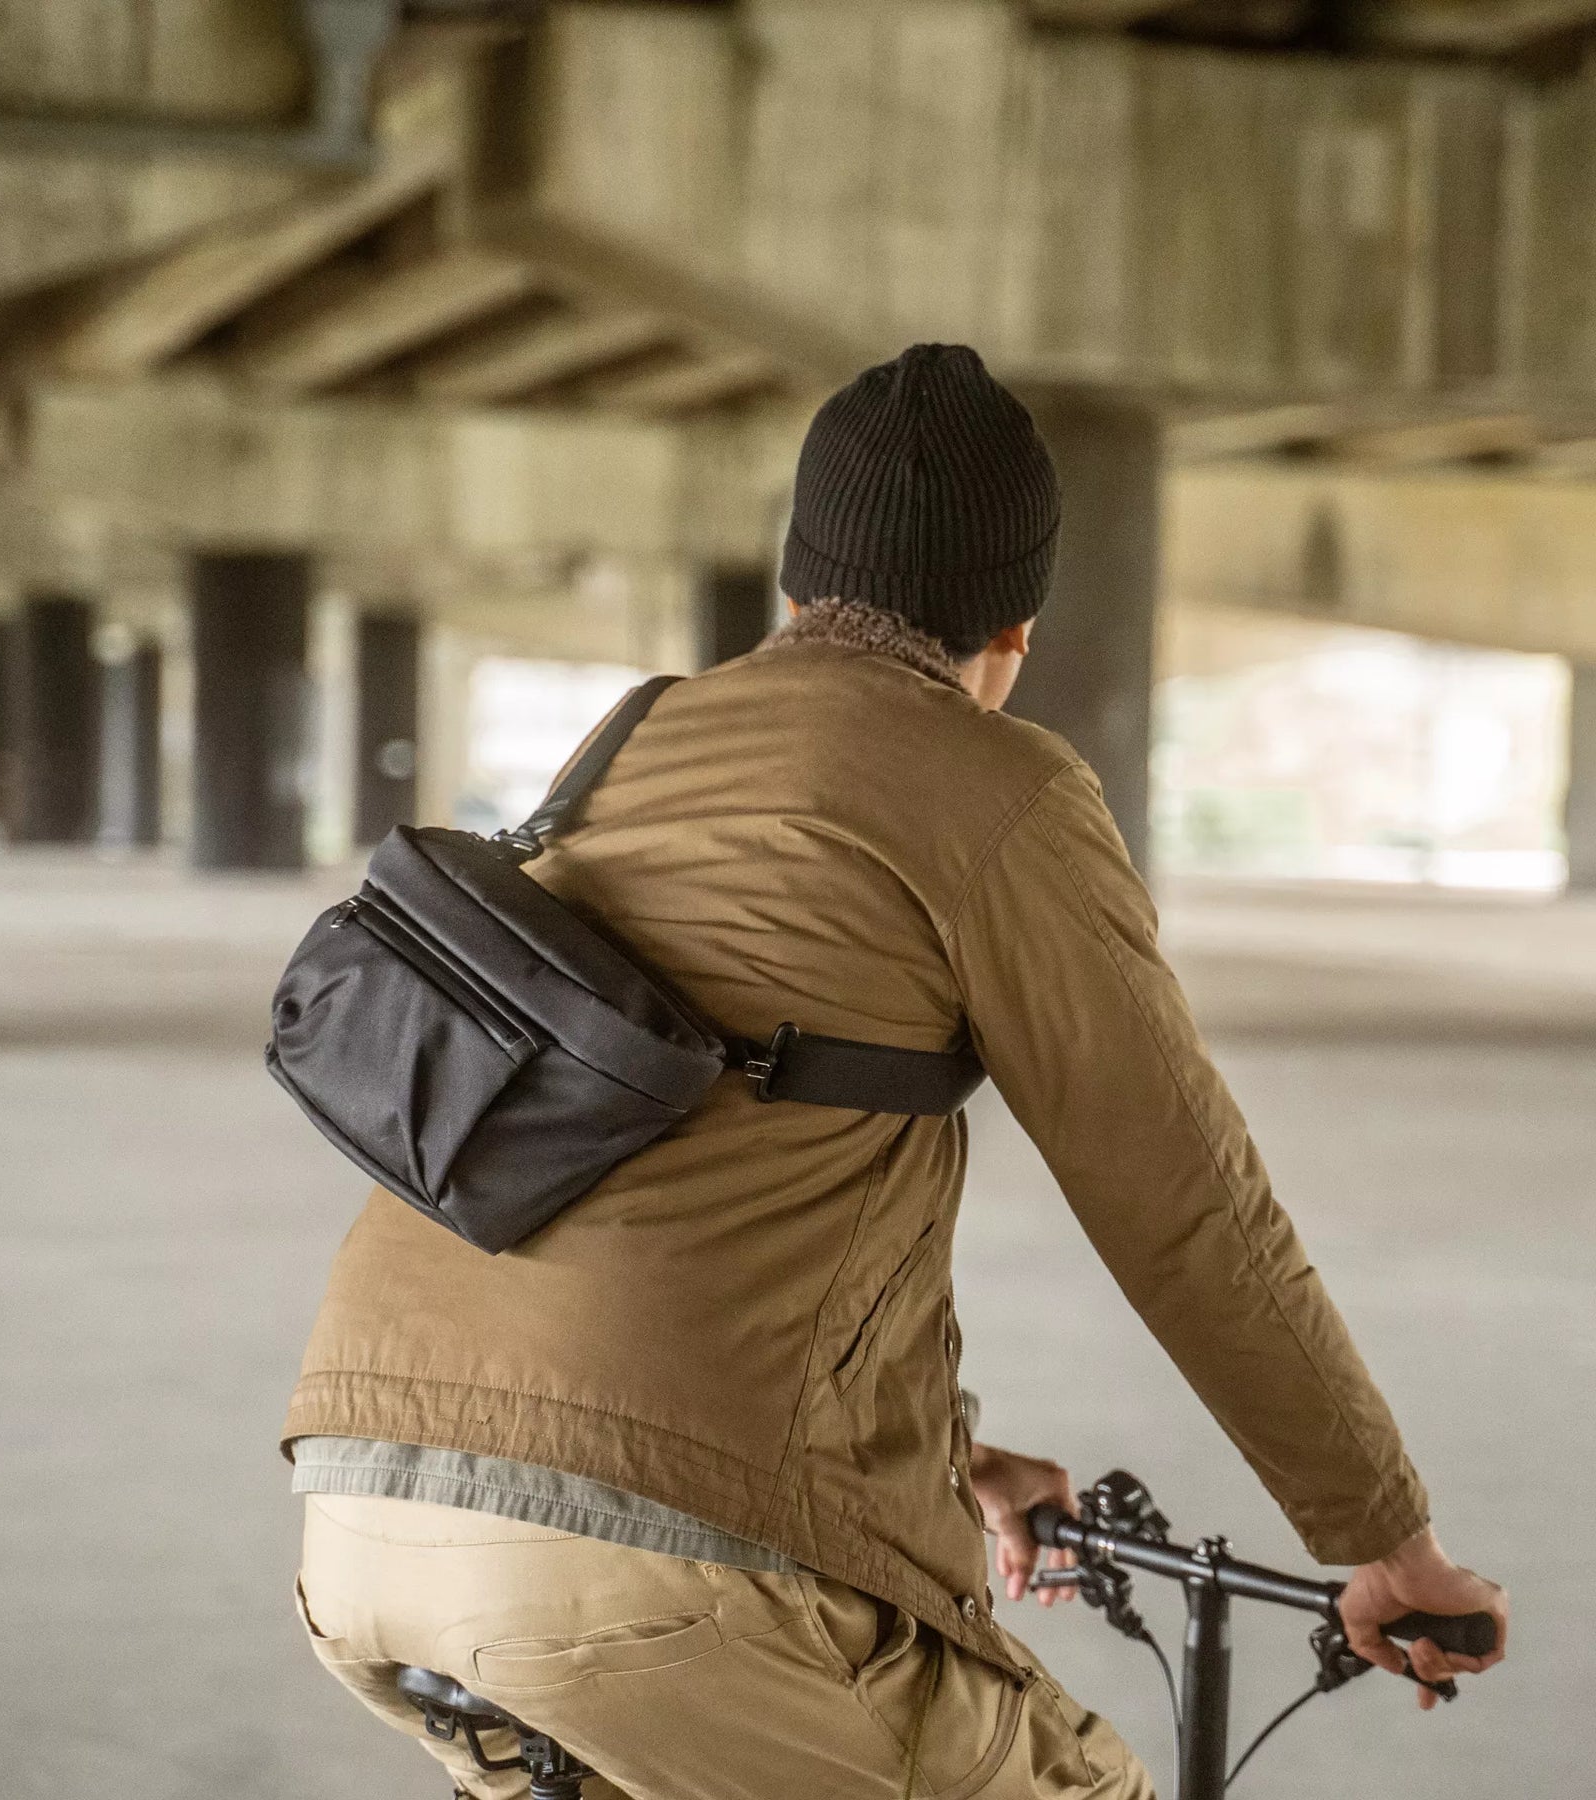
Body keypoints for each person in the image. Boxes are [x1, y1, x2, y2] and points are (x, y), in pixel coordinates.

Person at [283, 344, 1506, 1798]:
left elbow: (712, 1162)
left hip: (362, 1502)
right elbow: (1190, 1212)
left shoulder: (629, 743)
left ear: (795, 584)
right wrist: (1384, 1542)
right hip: (651, 1560)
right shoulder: (1001, 787)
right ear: (1017, 631)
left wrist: (951, 1463)